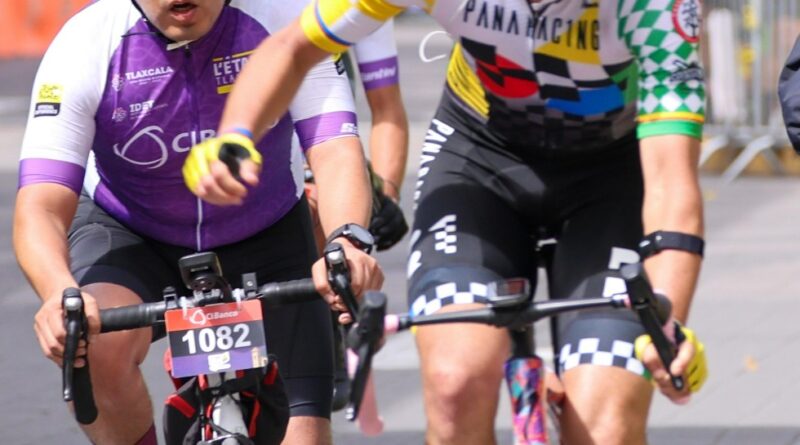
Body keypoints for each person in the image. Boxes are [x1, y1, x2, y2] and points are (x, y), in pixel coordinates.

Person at [200, 0, 709, 444]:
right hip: (480, 164)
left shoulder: (651, 8)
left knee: (606, 426)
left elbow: (672, 181)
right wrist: (236, 134)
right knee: (454, 385)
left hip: (610, 179)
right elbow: (292, 46)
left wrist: (668, 324)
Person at [13, 1, 382, 444]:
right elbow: (41, 205)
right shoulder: (85, 42)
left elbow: (335, 150)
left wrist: (345, 242)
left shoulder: (286, 17)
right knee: (95, 346)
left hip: (268, 233)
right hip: (135, 233)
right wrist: (57, 291)